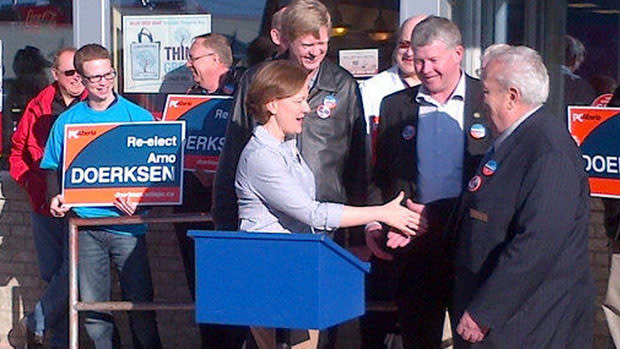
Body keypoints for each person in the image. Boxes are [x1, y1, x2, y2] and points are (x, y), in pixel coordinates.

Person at [236, 59, 425, 349]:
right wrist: (381, 212)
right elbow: (312, 212)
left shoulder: (286, 147)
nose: (307, 109)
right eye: (299, 101)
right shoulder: (262, 156)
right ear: (272, 104)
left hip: (295, 271)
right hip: (268, 275)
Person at [452, 45, 594, 347]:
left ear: (512, 96)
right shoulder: (513, 140)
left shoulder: (547, 151)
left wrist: (484, 312)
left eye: (486, 91)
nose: (480, 99)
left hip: (529, 326)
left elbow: (536, 244)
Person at [366, 16, 494, 348]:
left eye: (433, 60)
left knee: (474, 340)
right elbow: (381, 176)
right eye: (418, 60)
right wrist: (374, 223)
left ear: (458, 54)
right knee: (418, 338)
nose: (425, 69)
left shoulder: (487, 99)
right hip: (415, 245)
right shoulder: (396, 106)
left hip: (471, 245)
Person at [39, 43, 162, 348]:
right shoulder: (67, 121)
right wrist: (55, 198)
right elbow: (52, 167)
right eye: (95, 78)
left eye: (109, 75)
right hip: (85, 228)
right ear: (80, 79)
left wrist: (143, 201)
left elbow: (160, 172)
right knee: (94, 313)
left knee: (141, 307)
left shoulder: (139, 117)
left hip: (128, 226)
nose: (104, 82)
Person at [8, 47, 86, 349]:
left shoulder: (95, 104)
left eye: (80, 71)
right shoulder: (37, 106)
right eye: (70, 73)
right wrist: (30, 183)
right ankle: (61, 342)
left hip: (83, 205)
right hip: (45, 203)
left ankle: (37, 320)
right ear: (55, 74)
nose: (78, 78)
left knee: (77, 272)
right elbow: (19, 151)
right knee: (53, 274)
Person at [177, 32, 247, 349]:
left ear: (216, 60)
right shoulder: (188, 98)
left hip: (229, 213)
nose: (188, 64)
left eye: (194, 58)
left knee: (232, 296)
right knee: (201, 296)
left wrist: (220, 177)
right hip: (190, 211)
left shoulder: (241, 95)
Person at [359, 15, 427, 134]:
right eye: (404, 45)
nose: (409, 53)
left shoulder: (444, 88)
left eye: (416, 47)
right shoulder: (371, 90)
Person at [562, 34, 596, 106]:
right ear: (574, 59)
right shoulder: (579, 85)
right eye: (579, 61)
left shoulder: (539, 79)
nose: (578, 68)